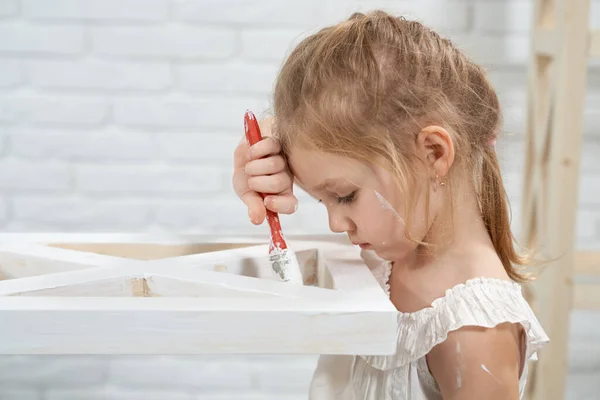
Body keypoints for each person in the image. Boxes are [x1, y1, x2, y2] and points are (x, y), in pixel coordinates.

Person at [232, 10, 548, 400]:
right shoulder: (393, 250)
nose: (335, 223)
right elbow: (294, 130)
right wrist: (263, 156)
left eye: (345, 196)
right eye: (321, 199)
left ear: (433, 153)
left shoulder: (473, 331)